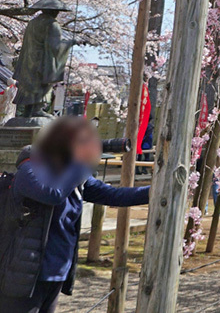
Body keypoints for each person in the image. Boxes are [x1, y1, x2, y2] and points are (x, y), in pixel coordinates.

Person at [0, 116, 150, 312]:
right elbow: (52, 194)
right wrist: (79, 164)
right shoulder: (29, 169)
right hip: (25, 274)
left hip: (56, 272)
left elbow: (115, 195)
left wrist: (157, 190)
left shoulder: (71, 175)